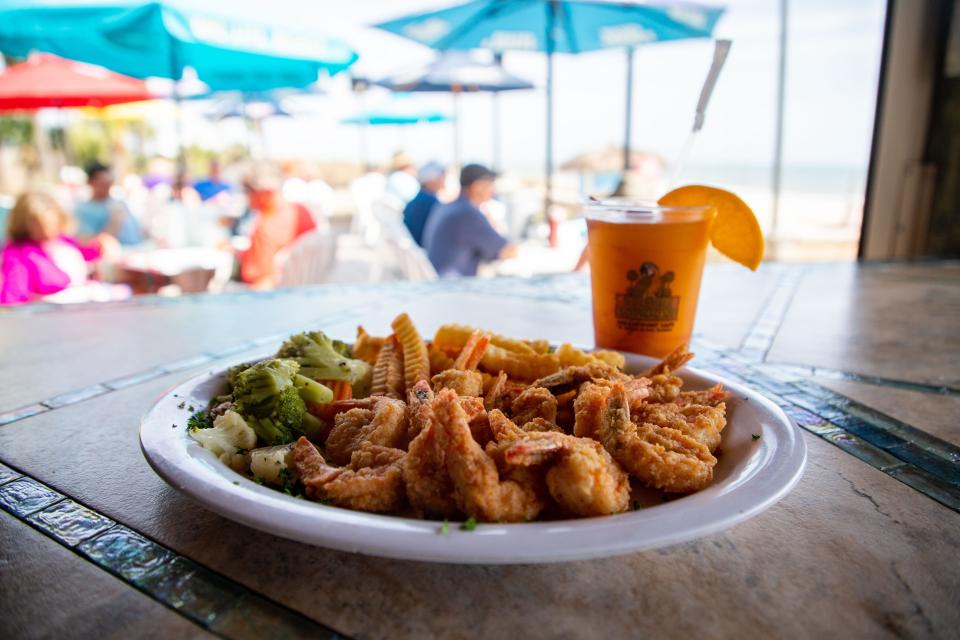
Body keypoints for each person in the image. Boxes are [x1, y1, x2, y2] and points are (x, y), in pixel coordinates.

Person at [0, 192, 117, 305]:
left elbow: (83, 252)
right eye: (40, 225)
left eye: (51, 223)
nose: (47, 230)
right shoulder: (18, 254)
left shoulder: (62, 240)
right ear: (24, 224)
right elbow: (13, 299)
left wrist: (100, 247)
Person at [422, 163, 517, 277]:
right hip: (453, 286)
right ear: (476, 186)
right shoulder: (467, 214)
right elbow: (507, 250)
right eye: (490, 185)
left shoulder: (448, 207)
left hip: (440, 278)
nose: (493, 191)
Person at [240, 178, 317, 289]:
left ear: (263, 192)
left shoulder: (266, 227)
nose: (247, 200)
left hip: (275, 292)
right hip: (303, 284)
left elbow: (261, 279)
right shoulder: (302, 210)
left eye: (247, 192)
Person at [74, 162, 142, 246]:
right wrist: (114, 223)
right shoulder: (83, 209)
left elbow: (137, 230)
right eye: (102, 183)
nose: (106, 187)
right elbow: (84, 241)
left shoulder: (119, 203)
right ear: (91, 182)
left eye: (109, 183)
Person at [403, 161, 446, 246]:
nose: (444, 180)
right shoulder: (433, 204)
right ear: (431, 180)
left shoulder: (413, 202)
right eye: (441, 176)